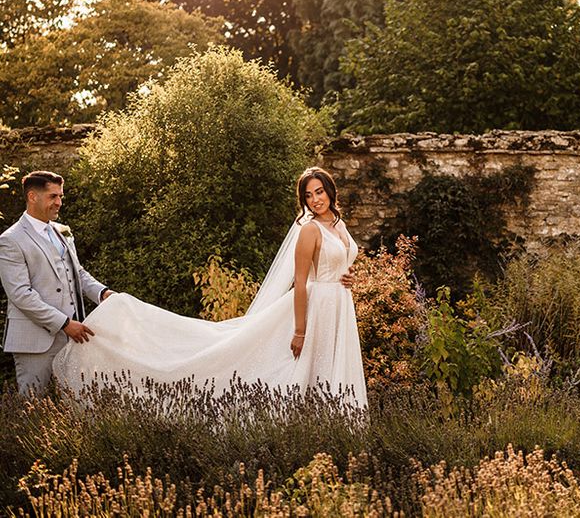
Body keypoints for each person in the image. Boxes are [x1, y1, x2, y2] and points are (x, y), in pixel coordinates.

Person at [52, 167, 367, 407]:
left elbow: (340, 259)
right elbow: (301, 283)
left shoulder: (338, 223)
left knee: (332, 366)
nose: (315, 199)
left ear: (330, 190)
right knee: (302, 367)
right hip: (316, 307)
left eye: (319, 192)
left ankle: (339, 422)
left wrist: (347, 276)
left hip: (339, 305)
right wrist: (299, 331)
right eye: (309, 195)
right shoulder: (309, 230)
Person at [0, 171, 113, 395]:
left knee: (75, 404)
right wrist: (64, 323)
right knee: (34, 406)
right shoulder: (10, 240)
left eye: (60, 196)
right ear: (33, 196)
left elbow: (77, 273)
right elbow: (21, 294)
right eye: (53, 196)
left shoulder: (61, 232)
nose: (59, 202)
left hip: (73, 337)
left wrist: (103, 294)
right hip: (34, 341)